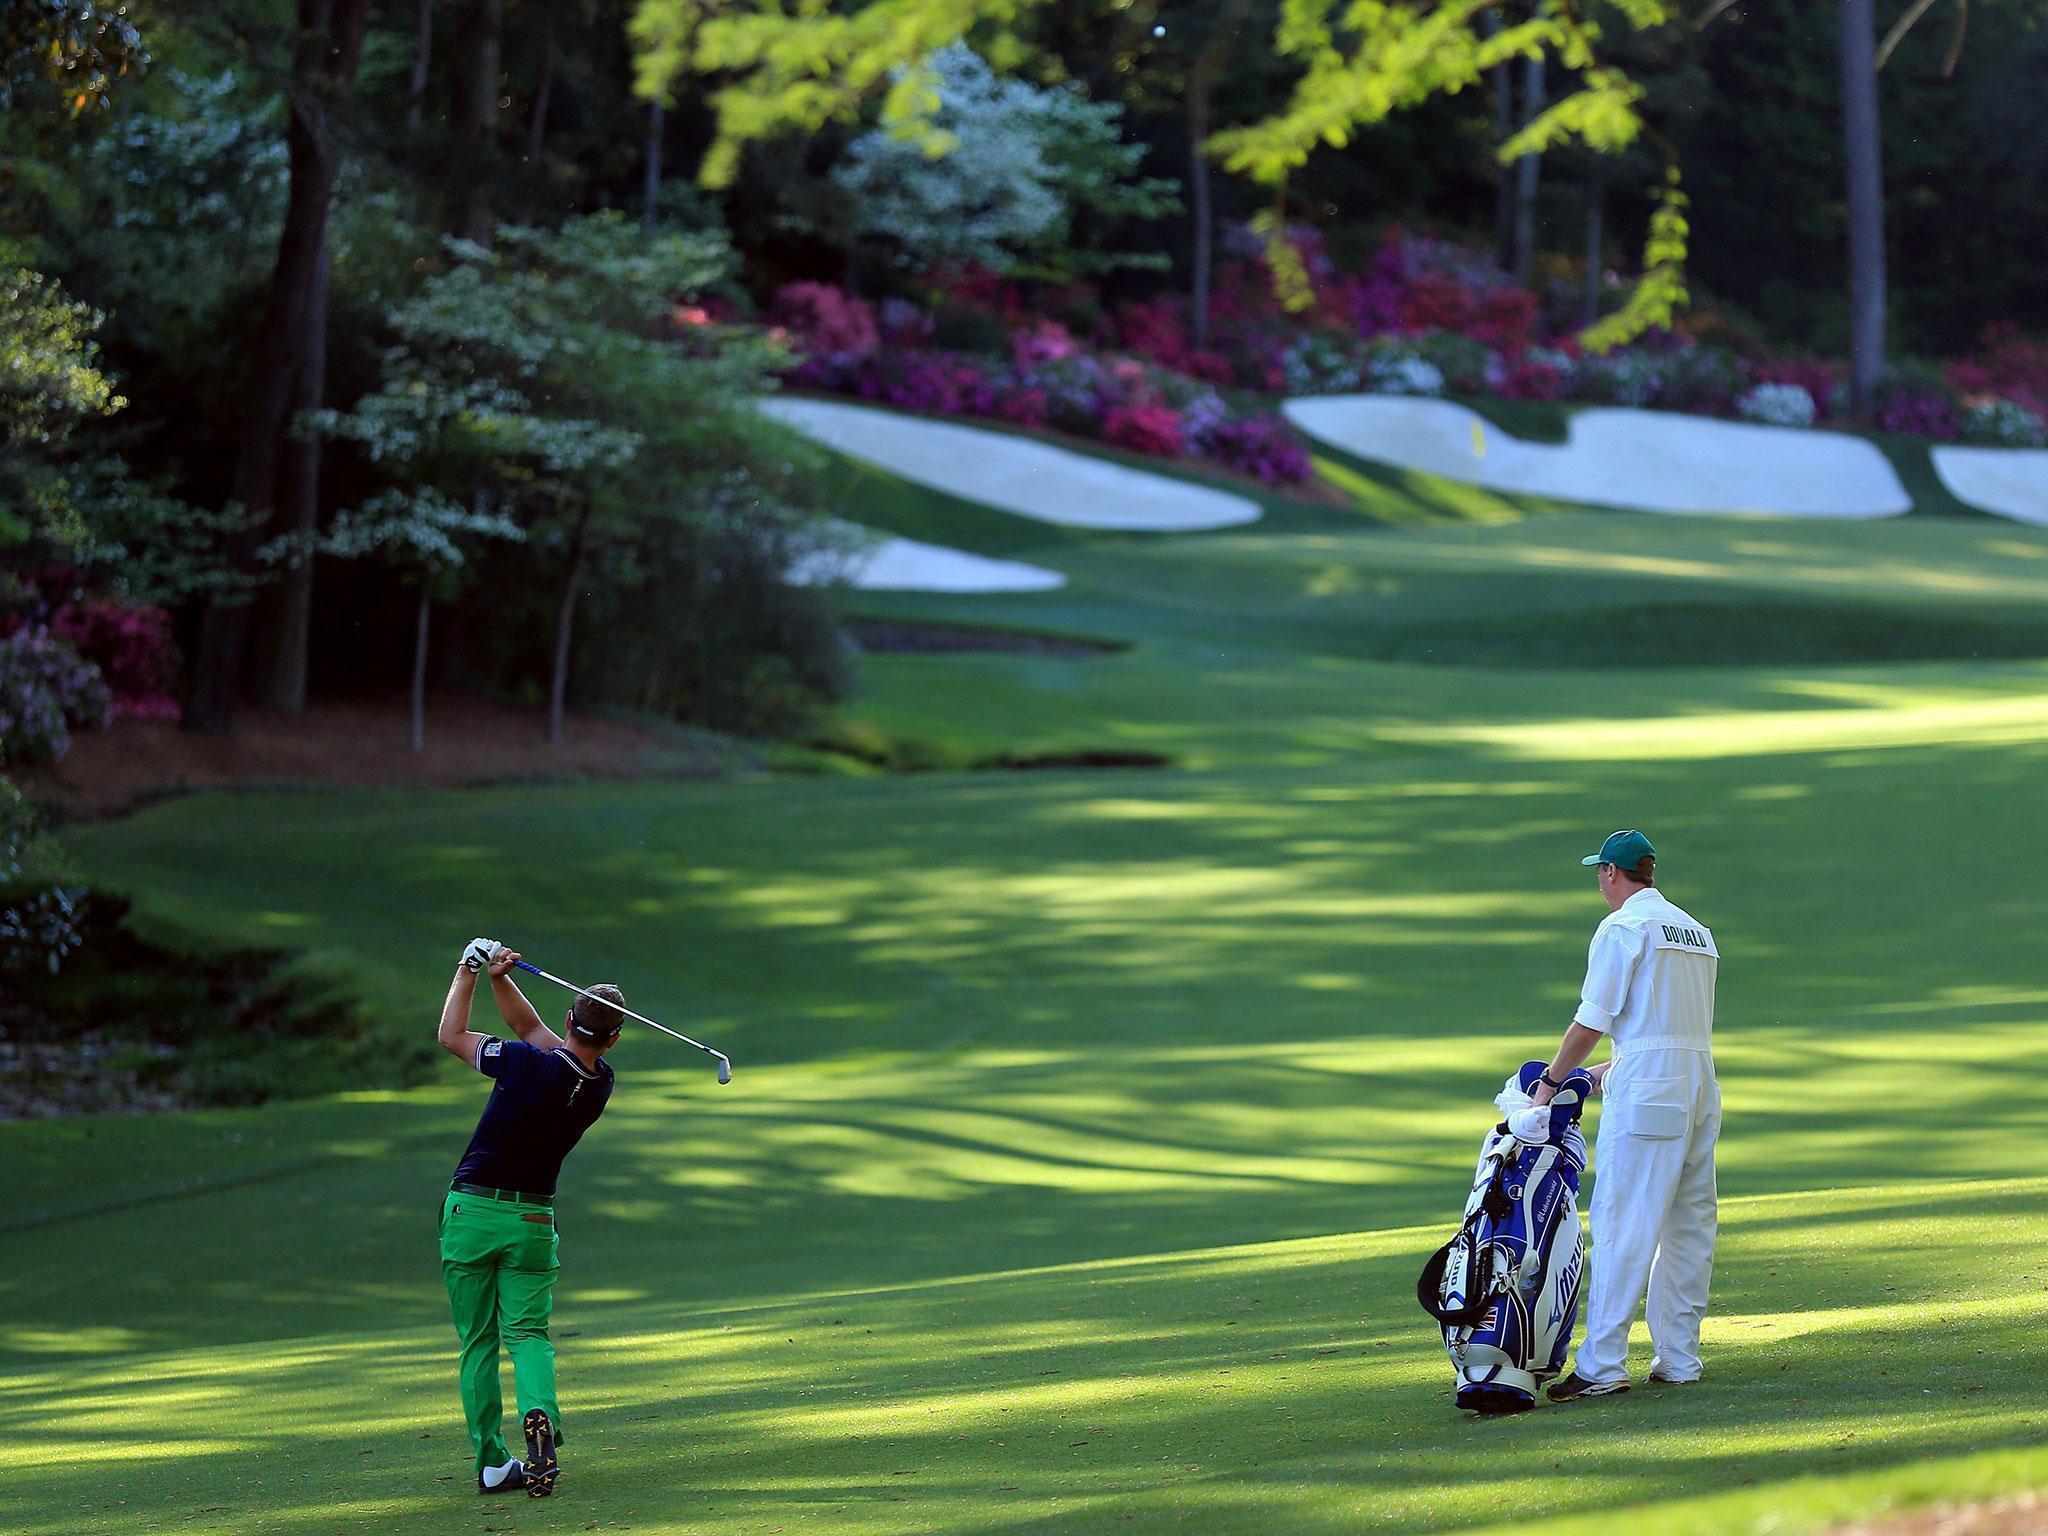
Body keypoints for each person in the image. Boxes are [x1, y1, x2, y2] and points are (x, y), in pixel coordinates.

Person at [1528, 830, 1721, 1402]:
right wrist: (1611, 1069)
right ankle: (1680, 1357)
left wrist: (1552, 1082)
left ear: (1612, 874)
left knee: (1622, 1221)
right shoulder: (1696, 932)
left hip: (1650, 1093)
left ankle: (1603, 1364)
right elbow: (1667, 1030)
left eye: (1600, 873)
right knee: (1689, 1225)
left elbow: (1594, 1019)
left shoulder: (1621, 928)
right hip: (1699, 1085)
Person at [435, 937, 621, 1497]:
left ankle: (493, 1462)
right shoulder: (598, 1083)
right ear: (613, 1038)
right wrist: (499, 979)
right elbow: (531, 1031)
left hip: (472, 1213)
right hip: (534, 1223)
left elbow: (451, 1036)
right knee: (529, 1334)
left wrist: (467, 971)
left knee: (479, 1341)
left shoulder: (520, 1065)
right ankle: (540, 1418)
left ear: (569, 1019)